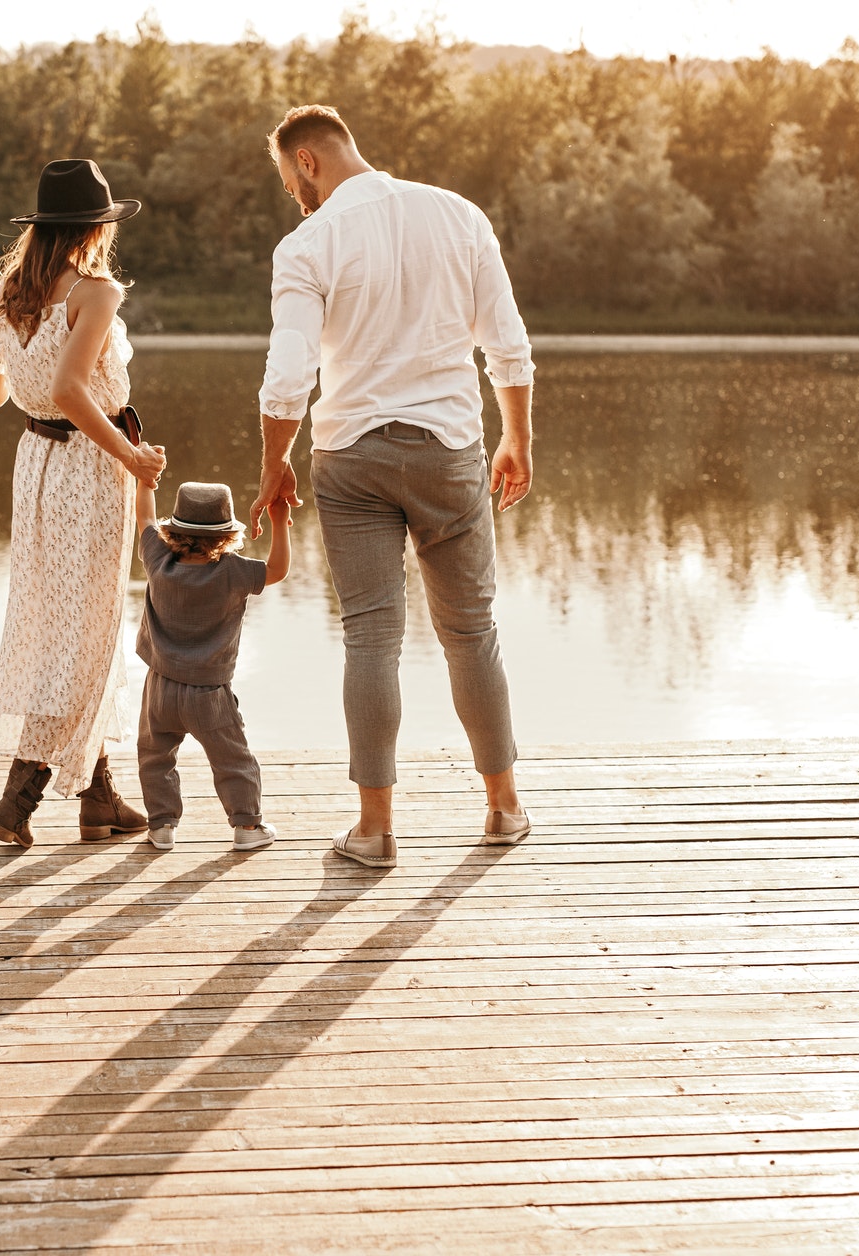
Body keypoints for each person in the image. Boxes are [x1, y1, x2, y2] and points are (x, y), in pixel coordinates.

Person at [250, 105, 535, 869]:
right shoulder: (459, 215)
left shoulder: (308, 243)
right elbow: (506, 345)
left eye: (288, 181)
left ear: (308, 160)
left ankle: (374, 833)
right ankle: (504, 810)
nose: (294, 198)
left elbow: (288, 379)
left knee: (372, 635)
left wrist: (274, 462)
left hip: (351, 460)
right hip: (449, 450)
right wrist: (518, 438)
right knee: (471, 631)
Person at [0, 158, 165, 849]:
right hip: (86, 466)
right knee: (84, 633)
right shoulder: (95, 293)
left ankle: (99, 801)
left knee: (72, 624)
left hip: (36, 463)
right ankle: (19, 797)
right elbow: (75, 391)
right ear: (94, 228)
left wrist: (17, 362)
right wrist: (129, 456)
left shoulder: (15, 291)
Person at [133, 479, 290, 853]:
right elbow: (278, 570)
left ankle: (162, 826)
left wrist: (145, 480)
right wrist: (280, 521)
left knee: (155, 757)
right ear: (226, 534)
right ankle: (247, 826)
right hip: (210, 693)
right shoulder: (234, 570)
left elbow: (144, 516)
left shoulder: (158, 559)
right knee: (233, 759)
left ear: (174, 529)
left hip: (160, 687)